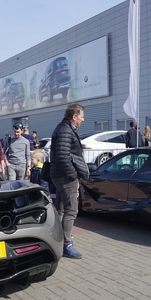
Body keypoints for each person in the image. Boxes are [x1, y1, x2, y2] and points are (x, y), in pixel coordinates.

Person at [50, 103, 89, 259]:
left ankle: (57, 240)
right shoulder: (66, 130)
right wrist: (74, 176)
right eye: (81, 116)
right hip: (65, 177)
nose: (83, 120)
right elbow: (62, 156)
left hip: (61, 175)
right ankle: (67, 245)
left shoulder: (63, 128)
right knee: (71, 210)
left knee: (60, 210)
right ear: (74, 117)